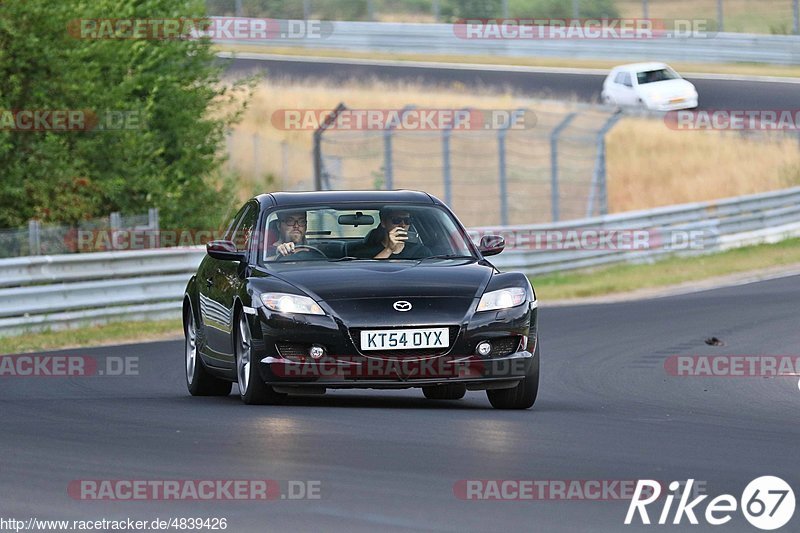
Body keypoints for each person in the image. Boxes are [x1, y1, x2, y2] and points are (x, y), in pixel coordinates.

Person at [353, 208, 431, 259]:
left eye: (407, 220)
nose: (403, 225)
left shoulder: (421, 252)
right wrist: (389, 249)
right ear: (383, 222)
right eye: (396, 220)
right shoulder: (363, 252)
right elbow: (367, 275)